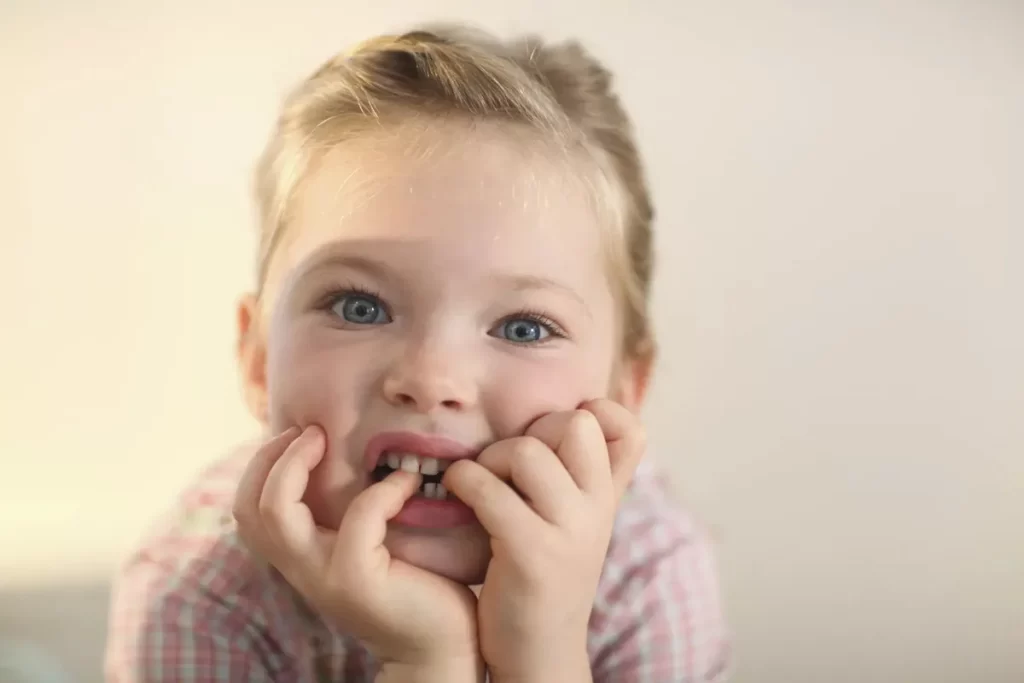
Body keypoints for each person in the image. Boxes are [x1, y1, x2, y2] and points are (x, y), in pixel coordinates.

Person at [104, 23, 730, 683]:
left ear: (624, 392)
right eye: (359, 306)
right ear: (258, 359)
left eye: (523, 326)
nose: (432, 379)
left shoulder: (649, 576)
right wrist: (427, 661)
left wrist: (542, 652)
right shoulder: (197, 593)